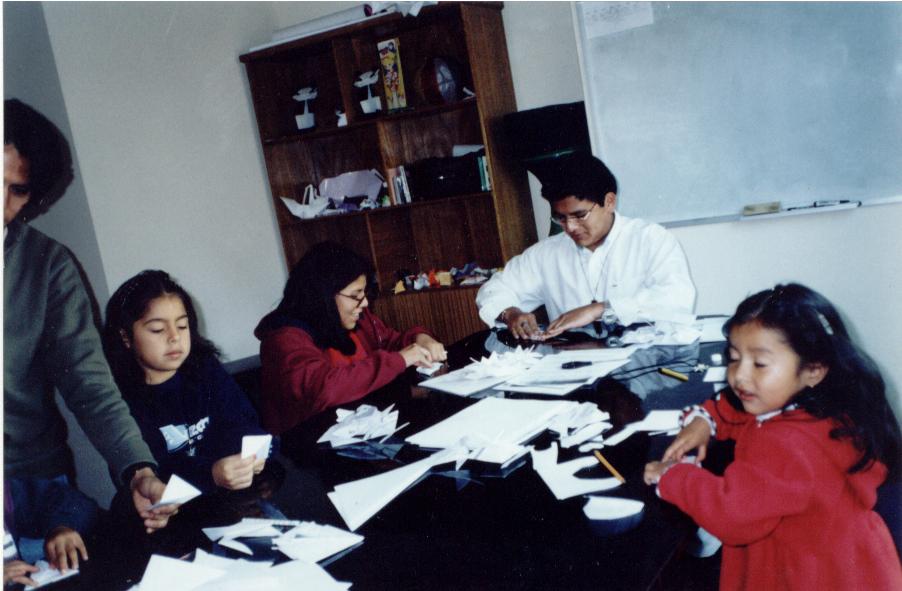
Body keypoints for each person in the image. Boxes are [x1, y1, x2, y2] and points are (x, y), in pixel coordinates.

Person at [644, 283, 902, 590]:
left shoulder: (782, 444)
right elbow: (739, 412)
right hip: (852, 563)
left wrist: (673, 477)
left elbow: (731, 514)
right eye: (734, 358)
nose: (740, 375)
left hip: (804, 575)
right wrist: (705, 421)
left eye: (760, 364)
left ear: (813, 370)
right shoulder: (824, 409)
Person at [4, 99, 174, 538]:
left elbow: (89, 383)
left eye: (16, 190)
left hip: (34, 485)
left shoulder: (48, 265)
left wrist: (137, 469)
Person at [476, 153, 696, 341]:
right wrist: (510, 312)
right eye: (561, 218)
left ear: (609, 202)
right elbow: (494, 289)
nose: (570, 227)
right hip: (575, 363)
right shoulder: (548, 253)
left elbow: (678, 297)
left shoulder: (650, 239)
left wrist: (599, 309)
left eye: (580, 215)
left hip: (644, 361)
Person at [103, 270, 274, 493]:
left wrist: (251, 455)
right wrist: (211, 474)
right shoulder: (118, 399)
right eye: (158, 329)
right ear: (126, 337)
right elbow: (153, 471)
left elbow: (241, 421)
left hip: (230, 492)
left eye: (182, 326)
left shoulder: (205, 368)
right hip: (172, 505)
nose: (175, 337)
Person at [255, 241, 447, 434]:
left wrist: (420, 338)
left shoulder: (351, 317)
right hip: (312, 440)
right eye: (356, 295)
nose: (364, 303)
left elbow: (390, 342)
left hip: (361, 425)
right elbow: (325, 389)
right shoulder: (283, 339)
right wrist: (400, 360)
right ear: (325, 295)